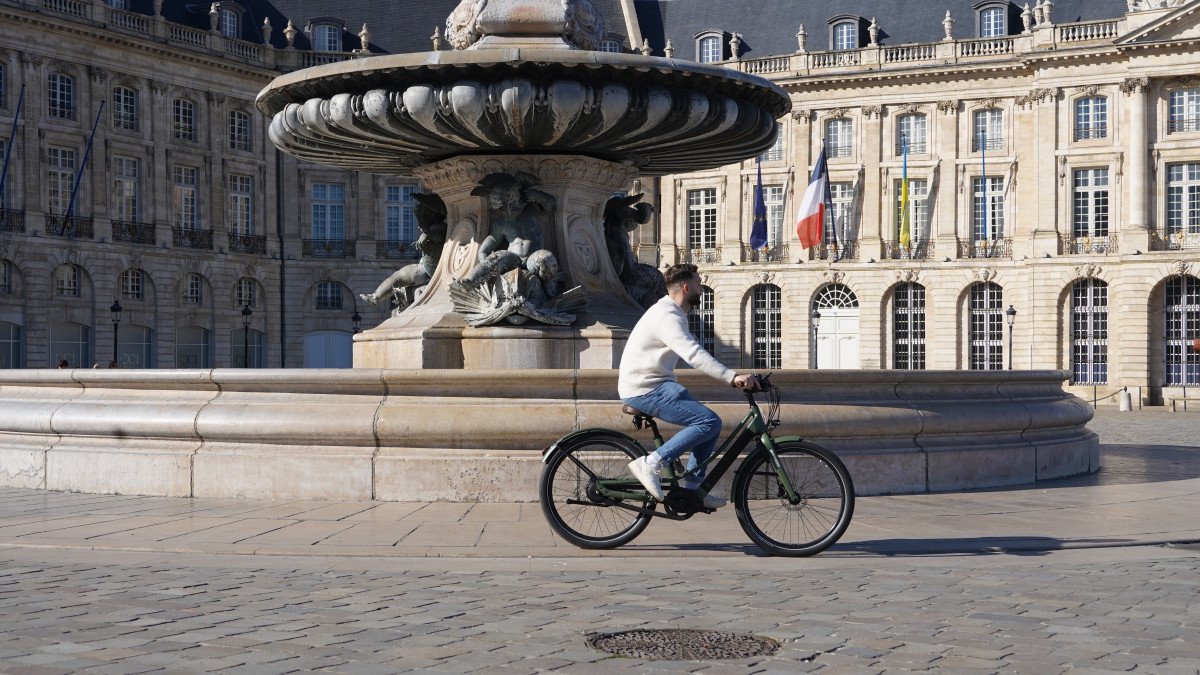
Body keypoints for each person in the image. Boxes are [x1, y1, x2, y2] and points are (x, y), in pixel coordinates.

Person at [619, 263, 759, 507]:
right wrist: (731, 376)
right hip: (644, 388)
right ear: (686, 287)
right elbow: (693, 354)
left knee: (710, 424)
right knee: (708, 421)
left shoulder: (672, 313)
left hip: (654, 385)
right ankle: (651, 463)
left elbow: (694, 351)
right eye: (698, 283)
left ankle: (694, 491)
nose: (701, 288)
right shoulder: (668, 316)